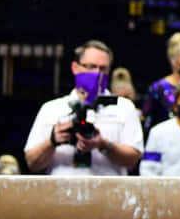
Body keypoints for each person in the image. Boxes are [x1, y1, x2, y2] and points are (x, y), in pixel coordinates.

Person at [24, 40, 143, 175]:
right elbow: (32, 163)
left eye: (103, 69)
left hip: (108, 187)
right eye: (91, 67)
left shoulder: (124, 107)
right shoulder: (51, 109)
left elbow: (133, 161)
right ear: (75, 67)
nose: (97, 74)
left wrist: (103, 144)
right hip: (63, 187)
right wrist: (52, 141)